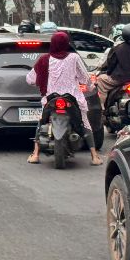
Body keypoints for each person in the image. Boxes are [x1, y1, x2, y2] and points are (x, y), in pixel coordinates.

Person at [28, 31, 102, 166]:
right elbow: (84, 78)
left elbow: (30, 79)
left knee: (42, 121)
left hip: (50, 98)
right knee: (85, 122)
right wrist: (91, 87)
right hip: (73, 98)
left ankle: (35, 154)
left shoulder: (44, 59)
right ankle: (94, 156)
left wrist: (39, 80)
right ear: (67, 43)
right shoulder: (74, 57)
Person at [94, 23, 130, 99]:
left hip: (118, 79)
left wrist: (109, 72)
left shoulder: (117, 48)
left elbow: (111, 64)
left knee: (100, 80)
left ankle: (102, 108)